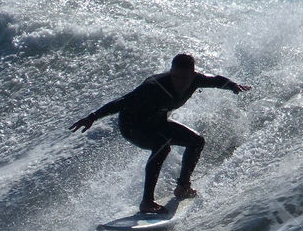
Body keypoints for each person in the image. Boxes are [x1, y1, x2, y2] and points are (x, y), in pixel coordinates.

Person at [70, 53, 250, 214]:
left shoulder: (196, 80)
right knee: (162, 147)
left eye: (184, 78)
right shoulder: (154, 86)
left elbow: (216, 80)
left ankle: (183, 187)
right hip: (133, 126)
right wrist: (93, 116)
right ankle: (147, 202)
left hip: (157, 122)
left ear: (193, 74)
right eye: (175, 76)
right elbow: (122, 102)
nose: (179, 82)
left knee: (196, 141)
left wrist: (233, 85)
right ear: (171, 72)